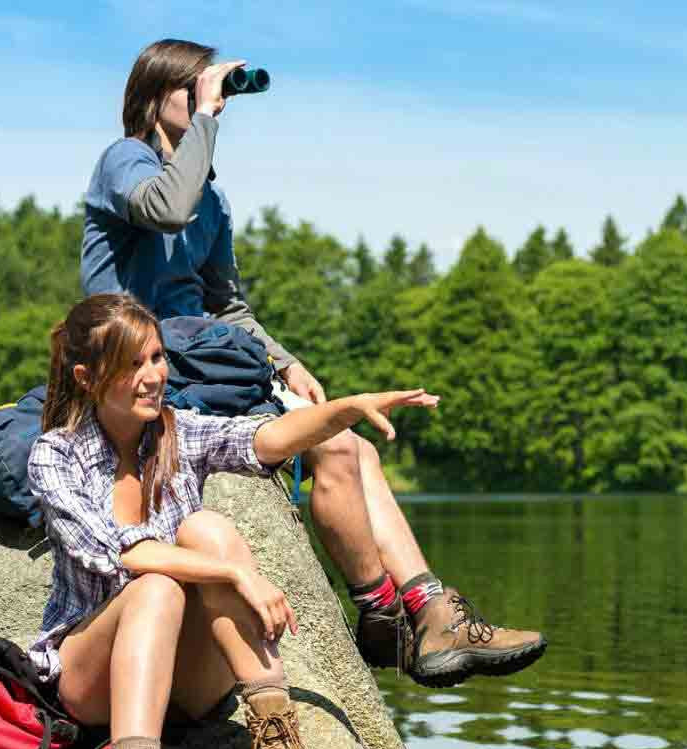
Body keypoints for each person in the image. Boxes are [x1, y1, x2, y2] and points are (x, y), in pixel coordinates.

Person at [81, 37, 546, 687]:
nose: (210, 102)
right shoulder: (124, 162)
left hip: (204, 365)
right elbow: (166, 208)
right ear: (153, 98)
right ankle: (386, 613)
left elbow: (229, 306)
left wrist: (284, 363)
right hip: (140, 370)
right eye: (194, 90)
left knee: (352, 445)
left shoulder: (211, 200)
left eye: (211, 93)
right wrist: (208, 120)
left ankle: (427, 607)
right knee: (333, 446)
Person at [27, 292, 439, 749]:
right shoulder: (54, 456)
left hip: (187, 686)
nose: (154, 376)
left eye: (158, 357)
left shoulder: (176, 432)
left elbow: (267, 439)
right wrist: (235, 576)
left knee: (207, 529)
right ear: (87, 377)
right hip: (98, 685)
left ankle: (274, 730)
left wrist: (346, 410)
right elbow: (124, 553)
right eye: (131, 362)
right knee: (160, 583)